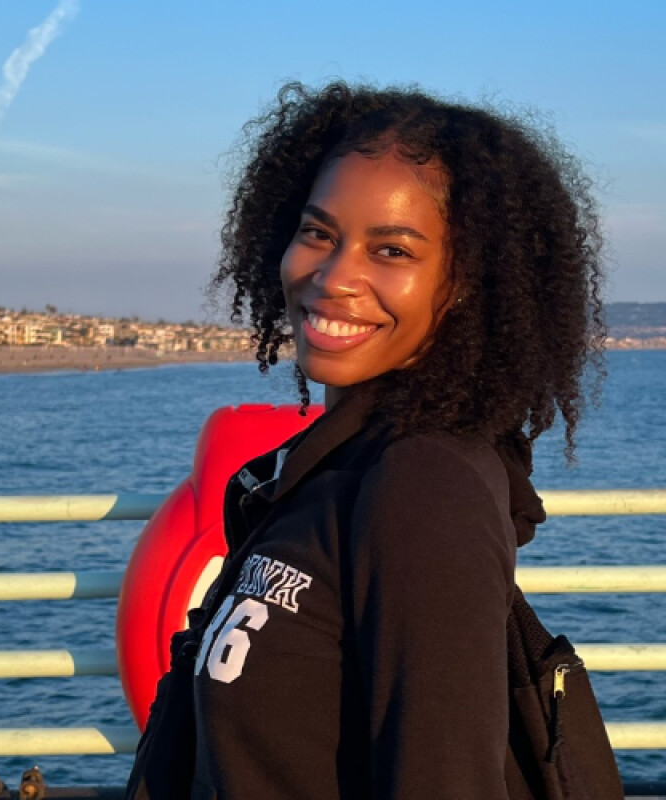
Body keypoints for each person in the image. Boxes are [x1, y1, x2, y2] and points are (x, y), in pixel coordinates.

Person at [192, 81, 604, 799]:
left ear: (469, 285)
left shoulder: (424, 486)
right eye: (318, 233)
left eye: (391, 250)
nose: (334, 277)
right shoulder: (335, 467)